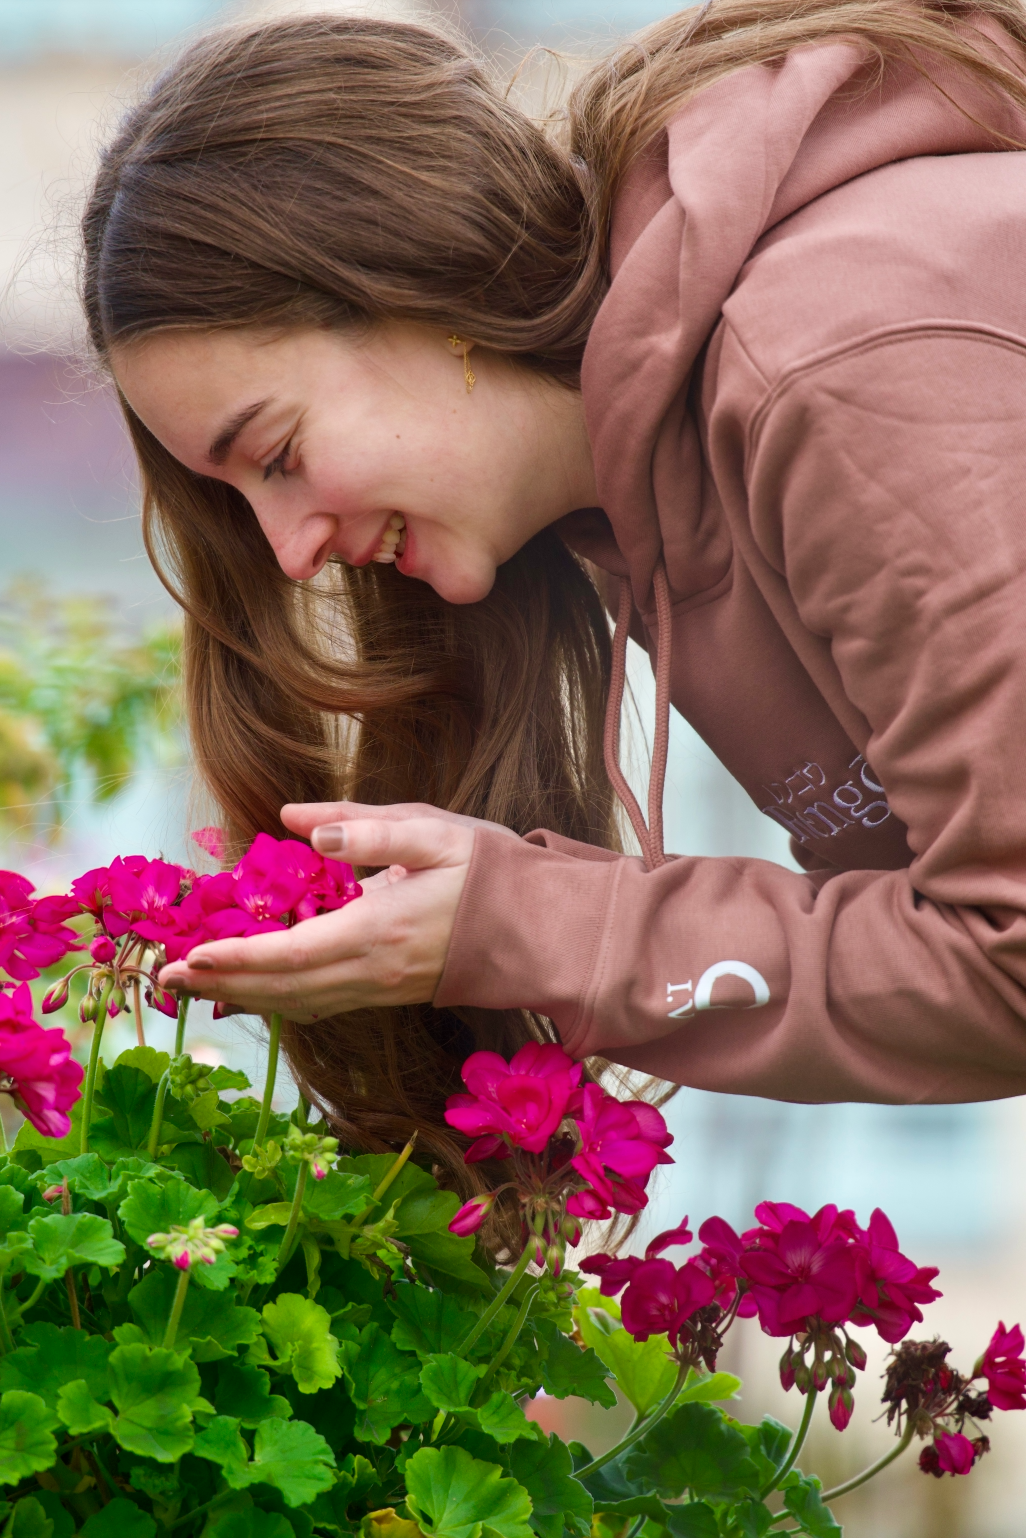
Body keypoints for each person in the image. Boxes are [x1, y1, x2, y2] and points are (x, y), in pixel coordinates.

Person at [83, 0, 1026, 1178]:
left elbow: (1010, 954)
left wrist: (524, 925)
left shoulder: (827, 373)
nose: (288, 550)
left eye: (275, 456)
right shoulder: (634, 503)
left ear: (416, 286)